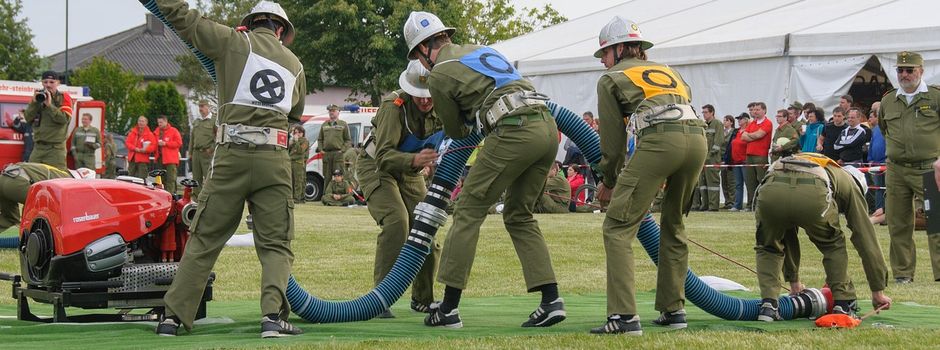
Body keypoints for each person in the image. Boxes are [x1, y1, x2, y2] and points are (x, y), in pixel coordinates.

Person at [146, 0, 307, 338]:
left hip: (231, 156)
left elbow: (184, 19)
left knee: (205, 239)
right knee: (276, 244)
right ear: (280, 30)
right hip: (274, 160)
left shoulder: (232, 41)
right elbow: (294, 112)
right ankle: (271, 318)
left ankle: (172, 318)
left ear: (251, 22)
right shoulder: (295, 65)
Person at [404, 11, 566, 329]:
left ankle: (448, 308)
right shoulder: (480, 49)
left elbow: (457, 131)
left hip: (513, 128)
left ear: (423, 49)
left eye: (418, 57)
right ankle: (551, 300)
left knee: (467, 209)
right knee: (519, 215)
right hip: (546, 127)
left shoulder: (439, 73)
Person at [590, 16, 706, 335]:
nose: (602, 61)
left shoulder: (611, 78)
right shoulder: (669, 70)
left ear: (619, 49)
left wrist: (609, 181)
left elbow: (612, 144)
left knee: (616, 227)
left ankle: (624, 317)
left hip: (661, 140)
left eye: (604, 54)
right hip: (697, 140)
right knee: (674, 224)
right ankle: (674, 309)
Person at [753, 153, 892, 321]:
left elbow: (787, 235)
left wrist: (794, 283)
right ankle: (843, 303)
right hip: (813, 190)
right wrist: (878, 291)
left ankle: (768, 306)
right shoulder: (850, 185)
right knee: (833, 245)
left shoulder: (820, 163)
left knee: (768, 246)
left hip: (771, 188)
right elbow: (865, 237)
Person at [358, 60, 444, 318]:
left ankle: (423, 298)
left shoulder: (445, 105)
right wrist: (415, 160)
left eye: (429, 95)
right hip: (378, 166)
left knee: (426, 228)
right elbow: (383, 156)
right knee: (397, 221)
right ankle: (380, 300)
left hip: (411, 172)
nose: (425, 101)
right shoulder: (393, 107)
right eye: (419, 95)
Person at [878, 51, 940, 284]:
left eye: (909, 70)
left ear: (921, 71)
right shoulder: (888, 100)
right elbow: (884, 129)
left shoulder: (935, 97)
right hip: (896, 170)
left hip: (930, 168)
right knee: (898, 223)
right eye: (900, 70)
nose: (904, 74)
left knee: (937, 222)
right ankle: (903, 274)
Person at [0, 162, 94, 232]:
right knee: (40, 208)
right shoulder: (67, 181)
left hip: (4, 177)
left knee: (9, 218)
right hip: (17, 182)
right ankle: (30, 239)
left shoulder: (58, 172)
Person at [24, 71, 72, 170]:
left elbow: (64, 119)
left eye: (51, 82)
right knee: (32, 174)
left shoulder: (63, 97)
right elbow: (28, 118)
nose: (48, 85)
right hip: (38, 147)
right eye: (45, 82)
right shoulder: (39, 97)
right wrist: (34, 103)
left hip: (55, 148)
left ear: (58, 83)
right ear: (42, 83)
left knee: (56, 176)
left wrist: (49, 106)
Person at [741, 102, 773, 211]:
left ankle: (761, 204)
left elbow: (759, 135)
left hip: (760, 155)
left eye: (758, 109)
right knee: (750, 182)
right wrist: (753, 136)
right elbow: (743, 137)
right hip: (749, 155)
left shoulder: (767, 123)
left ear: (764, 110)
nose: (755, 112)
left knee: (761, 181)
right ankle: (751, 204)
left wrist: (750, 136)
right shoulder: (752, 123)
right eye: (754, 110)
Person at [691, 104, 723, 211]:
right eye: (703, 112)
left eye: (706, 112)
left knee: (712, 183)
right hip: (704, 159)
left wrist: (709, 155)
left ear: (712, 112)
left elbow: (718, 142)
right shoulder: (704, 125)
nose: (704, 114)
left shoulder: (717, 124)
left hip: (712, 159)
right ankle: (705, 205)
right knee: (703, 183)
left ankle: (713, 206)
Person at [189, 99, 216, 198]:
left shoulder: (214, 120)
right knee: (196, 178)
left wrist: (211, 149)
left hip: (207, 153)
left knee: (209, 177)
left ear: (208, 107)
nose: (200, 109)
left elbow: (219, 137)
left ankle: (210, 198)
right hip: (196, 153)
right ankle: (196, 199)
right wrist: (190, 152)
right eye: (199, 106)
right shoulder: (197, 121)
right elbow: (192, 137)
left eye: (202, 106)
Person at [317, 104, 351, 180]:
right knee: (327, 178)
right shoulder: (324, 124)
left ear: (338, 112)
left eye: (333, 111)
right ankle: (327, 189)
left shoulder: (343, 124)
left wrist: (342, 150)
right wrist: (321, 150)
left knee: (338, 177)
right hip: (326, 154)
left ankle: (339, 188)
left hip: (338, 154)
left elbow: (348, 140)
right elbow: (320, 139)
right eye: (330, 111)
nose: (331, 112)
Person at [154, 116, 183, 194]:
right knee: (161, 179)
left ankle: (170, 195)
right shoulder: (156, 131)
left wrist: (166, 143)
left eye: (161, 122)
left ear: (166, 122)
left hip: (170, 159)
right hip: (160, 158)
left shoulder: (173, 131)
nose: (159, 124)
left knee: (170, 178)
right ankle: (162, 194)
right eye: (158, 122)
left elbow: (179, 143)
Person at [730, 113, 749, 211]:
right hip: (736, 161)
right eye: (738, 119)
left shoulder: (749, 131)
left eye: (741, 119)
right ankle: (737, 205)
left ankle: (750, 204)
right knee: (738, 184)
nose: (739, 121)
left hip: (745, 161)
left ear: (746, 120)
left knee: (748, 184)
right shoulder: (736, 132)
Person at [288, 125, 309, 204]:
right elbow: (288, 151)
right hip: (291, 161)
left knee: (298, 181)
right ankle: (292, 197)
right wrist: (291, 143)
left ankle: (297, 198)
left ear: (303, 133)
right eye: (295, 132)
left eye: (299, 132)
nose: (297, 134)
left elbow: (300, 151)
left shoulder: (304, 141)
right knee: (291, 181)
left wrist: (296, 141)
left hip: (298, 163)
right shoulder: (293, 140)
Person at [720, 115, 737, 209]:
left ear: (731, 122)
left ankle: (732, 201)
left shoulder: (734, 132)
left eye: (726, 120)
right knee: (724, 181)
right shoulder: (721, 132)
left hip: (730, 159)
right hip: (722, 159)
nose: (724, 122)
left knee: (731, 181)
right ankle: (727, 201)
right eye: (724, 120)